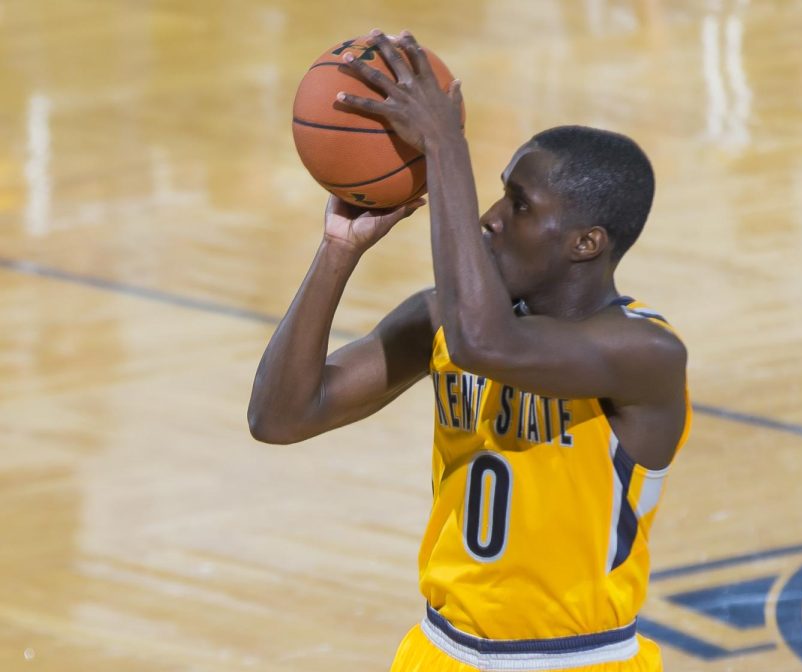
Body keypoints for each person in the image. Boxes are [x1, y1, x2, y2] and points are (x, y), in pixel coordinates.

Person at [248, 29, 690, 672]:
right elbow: (279, 418)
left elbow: (486, 344)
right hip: (440, 652)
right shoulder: (444, 321)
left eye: (519, 204)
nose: (491, 217)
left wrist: (445, 144)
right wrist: (338, 249)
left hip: (578, 660)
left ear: (585, 243)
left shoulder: (644, 352)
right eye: (500, 190)